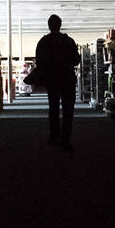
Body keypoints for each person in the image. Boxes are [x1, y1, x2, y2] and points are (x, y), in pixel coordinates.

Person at [34, 14, 80, 151]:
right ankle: (66, 137)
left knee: (53, 108)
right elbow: (76, 60)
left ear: (49, 26)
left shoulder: (43, 42)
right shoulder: (68, 41)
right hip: (67, 79)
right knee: (68, 109)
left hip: (52, 80)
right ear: (60, 25)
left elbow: (40, 62)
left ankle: (54, 135)